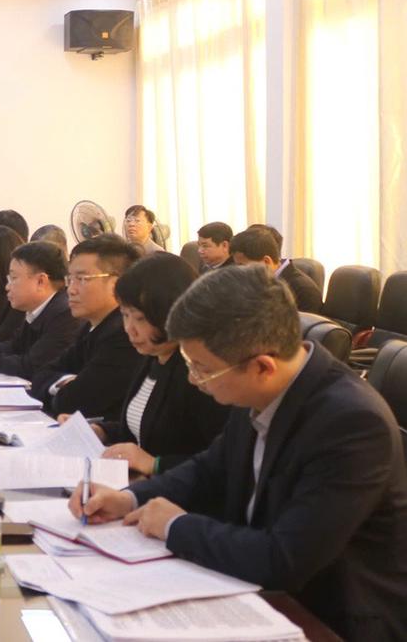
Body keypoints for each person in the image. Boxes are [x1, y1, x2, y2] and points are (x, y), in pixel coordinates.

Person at [71, 265, 407, 639]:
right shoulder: (261, 389)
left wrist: (176, 525)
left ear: (262, 367)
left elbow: (285, 559)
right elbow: (210, 469)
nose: (194, 380)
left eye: (202, 369)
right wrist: (129, 498)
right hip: (256, 593)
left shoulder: (350, 424)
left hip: (330, 619)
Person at [76, 253, 229, 475]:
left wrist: (155, 463)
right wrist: (102, 430)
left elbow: (220, 461)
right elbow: (144, 426)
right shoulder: (152, 356)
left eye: (140, 318)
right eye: (125, 315)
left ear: (170, 313)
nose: (129, 328)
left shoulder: (198, 371)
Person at [31, 235, 143, 420]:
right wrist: (65, 382)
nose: (71, 289)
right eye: (70, 279)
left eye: (82, 279)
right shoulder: (91, 326)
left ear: (116, 284)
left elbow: (71, 403)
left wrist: (63, 388)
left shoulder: (124, 334)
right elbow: (40, 375)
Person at [0, 241, 83, 379]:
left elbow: (30, 367)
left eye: (13, 278)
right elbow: (15, 346)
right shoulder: (37, 310)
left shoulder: (65, 315)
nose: (7, 286)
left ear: (41, 281)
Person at [229, 228, 323, 313]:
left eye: (243, 266)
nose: (240, 271)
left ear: (266, 261)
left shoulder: (304, 291)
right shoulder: (256, 283)